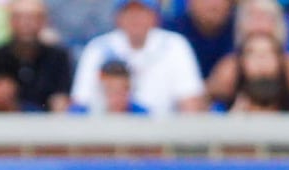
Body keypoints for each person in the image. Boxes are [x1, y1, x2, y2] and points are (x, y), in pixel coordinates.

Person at [71, 0, 208, 114]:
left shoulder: (175, 45)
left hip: (162, 136)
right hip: (107, 136)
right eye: (129, 12)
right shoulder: (98, 48)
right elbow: (80, 104)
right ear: (117, 17)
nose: (135, 18)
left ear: (155, 17)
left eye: (142, 11)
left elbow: (191, 103)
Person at [0, 0, 72, 112]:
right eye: (19, 17)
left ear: (44, 22)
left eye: (33, 18)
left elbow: (63, 99)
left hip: (45, 124)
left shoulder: (58, 58)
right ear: (9, 21)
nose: (26, 23)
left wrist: (59, 106)